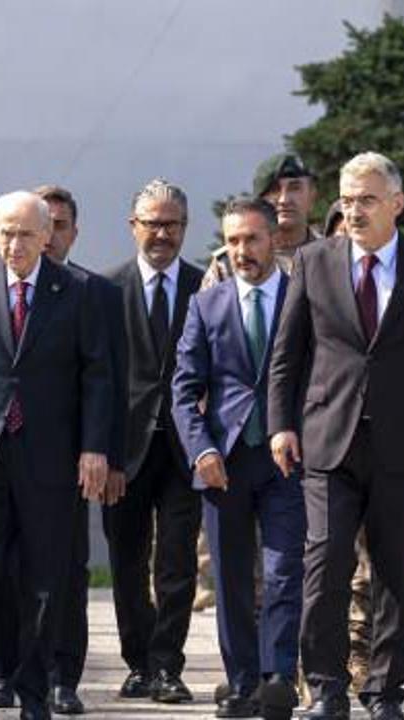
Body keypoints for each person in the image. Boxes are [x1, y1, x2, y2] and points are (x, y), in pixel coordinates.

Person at [268, 152, 404, 720]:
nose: (354, 210)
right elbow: (286, 354)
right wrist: (280, 424)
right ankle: (328, 689)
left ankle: (385, 693)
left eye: (366, 199)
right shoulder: (314, 261)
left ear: (396, 204)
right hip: (327, 440)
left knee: (399, 573)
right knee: (325, 564)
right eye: (346, 199)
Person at [0, 190, 112, 720]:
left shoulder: (77, 290)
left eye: (26, 233)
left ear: (47, 237)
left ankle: (34, 692)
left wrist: (94, 447)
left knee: (42, 579)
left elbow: (98, 376)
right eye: (5, 232)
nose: (13, 243)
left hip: (49, 456)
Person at [173, 196, 304, 720]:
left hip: (285, 460)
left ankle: (277, 676)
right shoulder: (207, 305)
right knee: (229, 579)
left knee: (283, 570)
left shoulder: (302, 299)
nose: (242, 250)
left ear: (273, 238)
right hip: (224, 460)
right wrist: (200, 448)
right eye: (232, 240)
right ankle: (244, 683)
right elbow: (184, 389)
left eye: (252, 238)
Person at [103, 178, 204, 705]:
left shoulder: (205, 287)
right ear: (133, 227)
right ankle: (137, 661)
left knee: (177, 562)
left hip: (185, 450)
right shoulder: (105, 289)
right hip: (124, 450)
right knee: (126, 559)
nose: (161, 234)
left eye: (172, 225)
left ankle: (167, 665)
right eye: (152, 223)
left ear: (185, 229)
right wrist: (100, 451)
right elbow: (96, 379)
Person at [34, 183, 129, 715]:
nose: (49, 239)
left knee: (69, 570)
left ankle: (62, 676)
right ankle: (10, 670)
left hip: (72, 459)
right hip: (8, 456)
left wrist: (109, 455)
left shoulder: (95, 293)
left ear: (74, 232)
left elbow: (109, 380)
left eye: (60, 227)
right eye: (39, 227)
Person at [203, 153, 324, 287]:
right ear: (259, 201)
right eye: (274, 190)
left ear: (312, 196)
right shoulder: (229, 263)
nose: (284, 200)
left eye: (294, 188)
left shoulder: (331, 257)